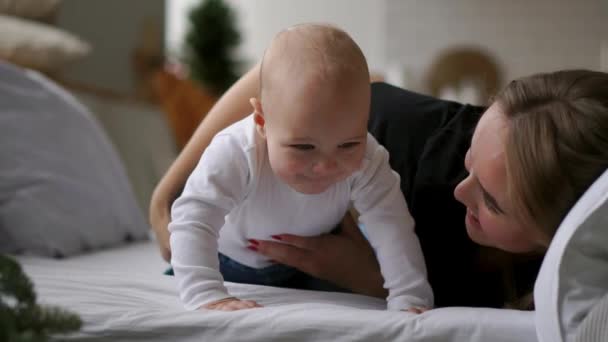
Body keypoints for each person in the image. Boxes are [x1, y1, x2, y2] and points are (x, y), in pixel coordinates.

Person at [151, 54, 608, 307]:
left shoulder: (574, 280)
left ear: (558, 233)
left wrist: (371, 278)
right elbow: (279, 72)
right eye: (469, 162)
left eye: (492, 200)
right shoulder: (399, 134)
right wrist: (167, 195)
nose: (459, 189)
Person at [168, 24, 433, 312]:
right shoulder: (236, 151)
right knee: (184, 266)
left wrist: (410, 297)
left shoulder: (369, 158)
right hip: (226, 261)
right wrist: (207, 293)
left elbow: (392, 225)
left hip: (307, 265)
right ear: (262, 121)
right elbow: (194, 217)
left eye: (349, 144)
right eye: (304, 147)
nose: (326, 166)